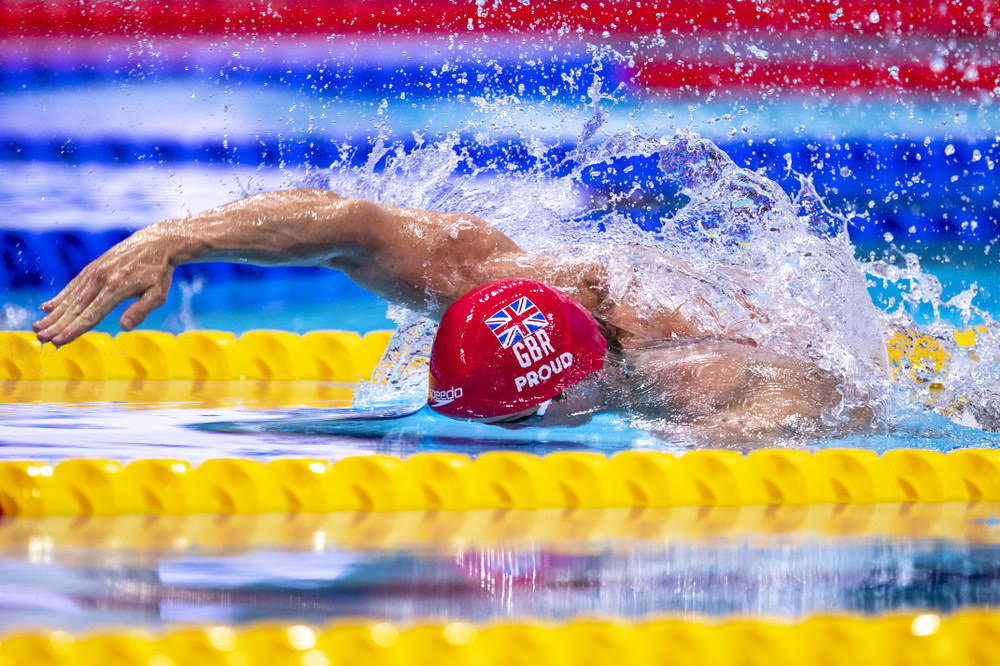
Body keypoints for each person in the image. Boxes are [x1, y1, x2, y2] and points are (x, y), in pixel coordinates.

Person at [32, 188, 874, 443]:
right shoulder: (491, 280)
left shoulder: (708, 375)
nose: (511, 432)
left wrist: (713, 444)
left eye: (515, 418)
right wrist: (174, 240)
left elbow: (840, 405)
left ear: (569, 390)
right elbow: (350, 229)